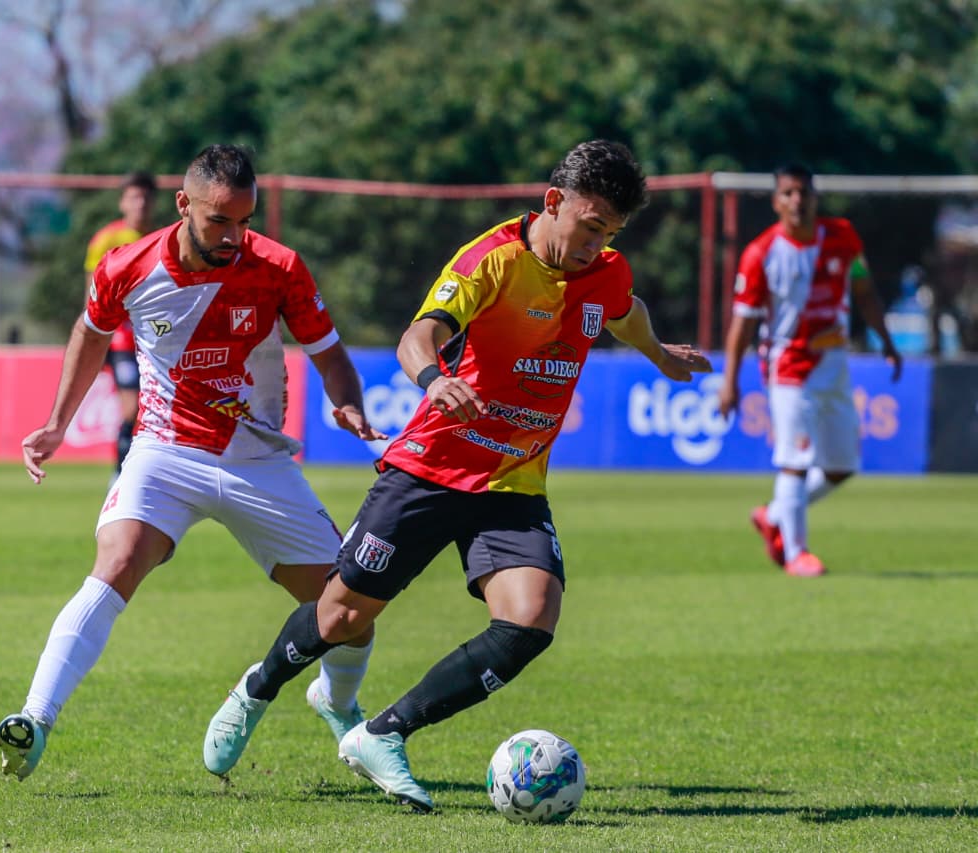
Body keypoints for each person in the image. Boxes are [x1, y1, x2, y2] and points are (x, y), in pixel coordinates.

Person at [201, 139, 712, 812]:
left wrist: (660, 355)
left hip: (512, 484)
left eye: (610, 234)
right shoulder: (490, 260)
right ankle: (256, 689)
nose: (596, 246)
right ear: (553, 202)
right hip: (432, 467)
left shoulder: (606, 272)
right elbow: (418, 336)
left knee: (531, 619)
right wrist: (433, 379)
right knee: (342, 615)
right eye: (590, 227)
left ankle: (384, 733)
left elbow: (626, 310)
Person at [0, 144, 386, 781]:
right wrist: (58, 423)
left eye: (244, 221)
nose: (234, 237)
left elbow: (331, 355)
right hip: (165, 451)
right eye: (218, 221)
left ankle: (337, 703)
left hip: (258, 461)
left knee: (352, 609)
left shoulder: (279, 267)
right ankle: (34, 721)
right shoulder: (126, 266)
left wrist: (348, 405)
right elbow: (90, 333)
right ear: (183, 205)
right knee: (116, 563)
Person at [717, 163, 902, 578]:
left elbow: (864, 290)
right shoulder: (761, 254)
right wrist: (729, 381)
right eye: (788, 193)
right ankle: (796, 553)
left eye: (804, 192)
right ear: (776, 201)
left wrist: (887, 343)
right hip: (789, 368)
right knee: (795, 460)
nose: (797, 200)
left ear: (816, 197)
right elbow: (742, 325)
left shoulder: (843, 238)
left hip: (834, 365)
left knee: (841, 467)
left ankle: (773, 516)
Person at [83, 172, 157, 473]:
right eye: (134, 197)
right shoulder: (107, 239)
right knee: (132, 410)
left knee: (153, 413)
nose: (140, 204)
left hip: (155, 337)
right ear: (122, 203)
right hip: (121, 337)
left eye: (145, 198)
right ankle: (120, 474)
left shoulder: (163, 239)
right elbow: (92, 293)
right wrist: (92, 339)